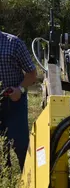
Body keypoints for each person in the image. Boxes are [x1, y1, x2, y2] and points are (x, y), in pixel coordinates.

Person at [0, 30, 37, 170]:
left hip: (13, 102)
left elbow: (32, 74)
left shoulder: (13, 43)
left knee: (20, 145)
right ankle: (5, 183)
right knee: (1, 150)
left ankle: (28, 182)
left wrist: (19, 89)